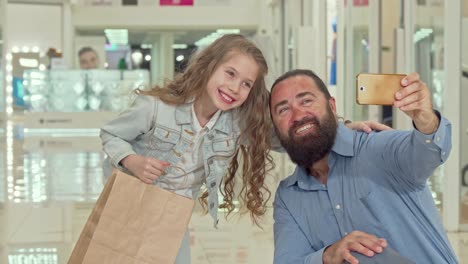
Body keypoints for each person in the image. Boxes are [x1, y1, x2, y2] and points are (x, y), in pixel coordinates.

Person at [100, 34, 386, 263]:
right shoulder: (156, 107)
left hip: (173, 215)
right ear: (208, 66)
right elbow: (111, 134)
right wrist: (132, 161)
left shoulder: (236, 124)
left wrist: (343, 128)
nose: (235, 87)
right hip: (131, 205)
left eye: (246, 83)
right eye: (230, 73)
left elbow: (290, 137)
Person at [270, 69, 458, 264]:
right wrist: (327, 256)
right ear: (276, 128)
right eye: (283, 110)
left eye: (306, 101)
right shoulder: (289, 196)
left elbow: (426, 153)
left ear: (332, 106)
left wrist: (425, 119)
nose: (298, 115)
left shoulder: (376, 148)